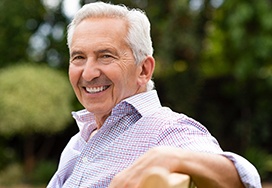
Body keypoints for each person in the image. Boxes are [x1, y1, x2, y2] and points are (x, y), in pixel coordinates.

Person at [48, 1, 261, 188]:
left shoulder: (169, 131)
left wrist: (172, 158)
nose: (88, 72)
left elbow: (242, 181)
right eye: (79, 57)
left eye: (105, 56)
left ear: (144, 70)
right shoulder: (79, 141)